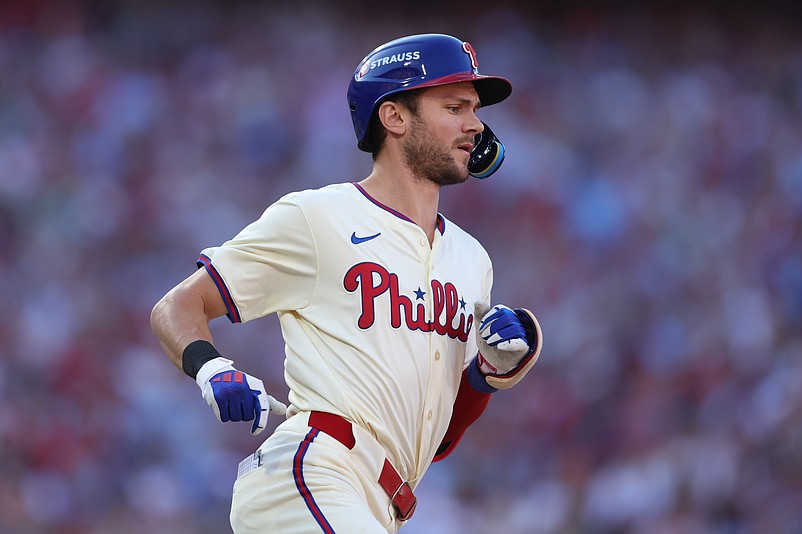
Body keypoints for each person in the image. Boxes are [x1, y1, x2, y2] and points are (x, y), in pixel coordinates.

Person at [150, 33, 543, 533]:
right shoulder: (320, 216)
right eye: (454, 106)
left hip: (382, 500)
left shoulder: (472, 260)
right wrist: (212, 368)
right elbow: (178, 306)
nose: (475, 124)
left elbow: (434, 440)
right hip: (314, 471)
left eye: (474, 109)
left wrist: (485, 374)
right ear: (394, 116)